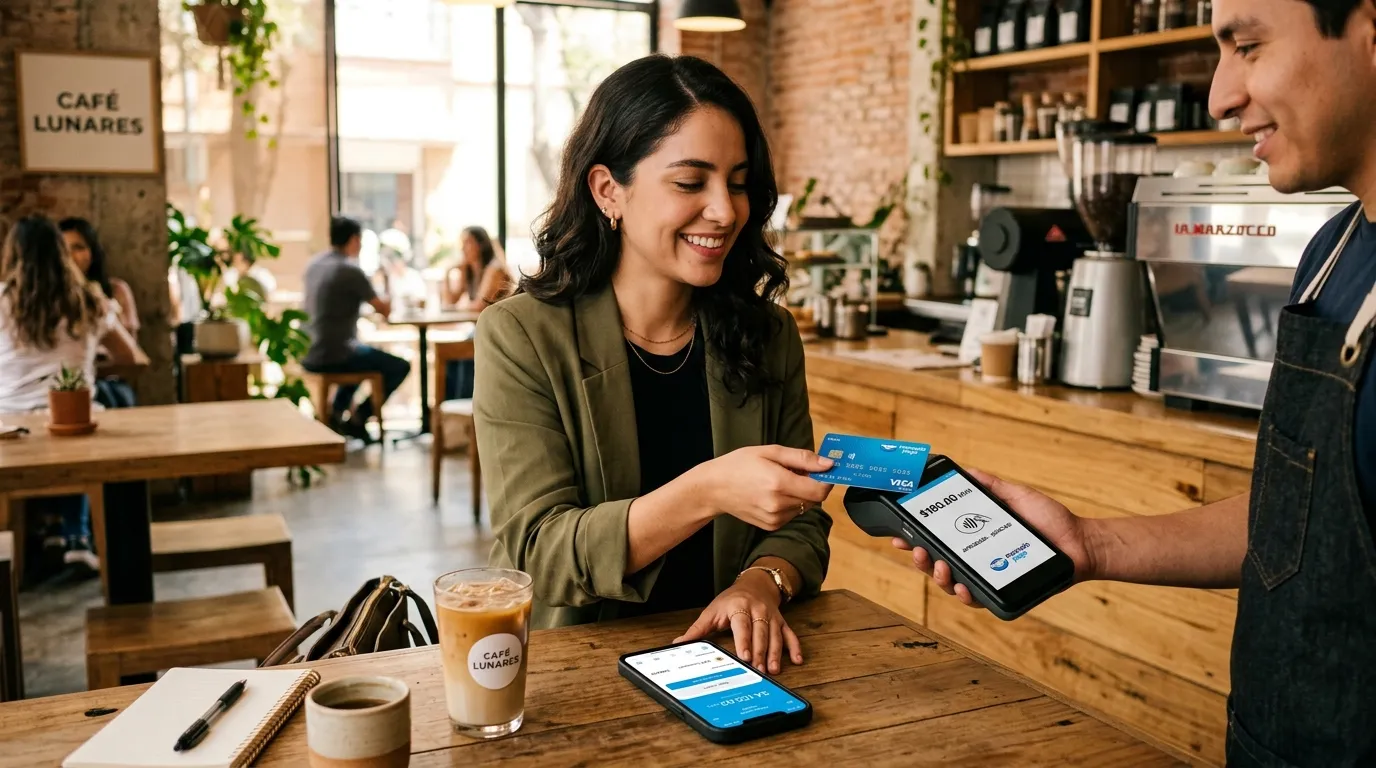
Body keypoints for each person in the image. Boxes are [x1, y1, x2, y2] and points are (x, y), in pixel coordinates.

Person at [910, 0, 1376, 763]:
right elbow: (1306, 518)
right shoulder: (1333, 252)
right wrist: (1087, 544)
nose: (1221, 93)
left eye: (1248, 46)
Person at [473, 54, 835, 677]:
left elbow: (801, 521)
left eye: (739, 181)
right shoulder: (521, 336)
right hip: (587, 675)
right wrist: (708, 489)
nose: (725, 210)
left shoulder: (766, 333)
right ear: (608, 190)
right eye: (691, 183)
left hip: (745, 667)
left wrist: (762, 582)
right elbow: (539, 555)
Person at [0, 216, 142, 574]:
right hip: (73, 420)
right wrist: (89, 353)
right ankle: (77, 536)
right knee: (84, 428)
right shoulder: (90, 300)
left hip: (8, 427)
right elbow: (132, 358)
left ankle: (25, 550)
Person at [302, 215, 410, 443]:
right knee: (399, 366)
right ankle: (359, 418)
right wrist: (388, 275)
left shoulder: (314, 264)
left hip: (308, 349)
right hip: (334, 353)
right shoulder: (349, 270)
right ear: (354, 240)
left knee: (361, 353)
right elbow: (385, 310)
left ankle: (337, 414)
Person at [58, 217, 144, 408]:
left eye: (78, 247)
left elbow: (132, 352)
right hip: (67, 382)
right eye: (64, 249)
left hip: (109, 380)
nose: (71, 256)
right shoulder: (51, 299)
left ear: (92, 252)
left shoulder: (115, 290)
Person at [441, 225, 510, 400]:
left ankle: (464, 408)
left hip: (502, 330)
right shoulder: (471, 270)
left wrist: (458, 307)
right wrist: (448, 273)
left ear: (480, 245)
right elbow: (450, 301)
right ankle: (452, 413)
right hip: (482, 329)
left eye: (467, 243)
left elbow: (479, 305)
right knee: (451, 358)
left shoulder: (494, 269)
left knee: (461, 352)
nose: (462, 248)